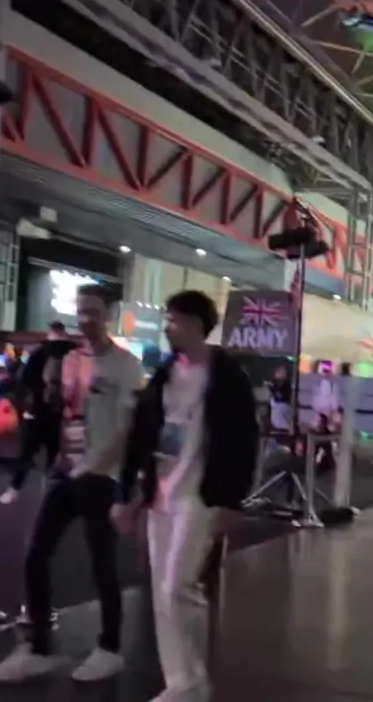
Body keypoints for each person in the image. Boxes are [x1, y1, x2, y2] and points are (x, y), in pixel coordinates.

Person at [0, 286, 143, 683]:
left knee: (102, 561)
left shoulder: (126, 365)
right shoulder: (70, 360)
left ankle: (110, 648)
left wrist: (106, 468)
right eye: (81, 311)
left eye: (93, 312)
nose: (85, 319)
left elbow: (130, 427)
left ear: (109, 315)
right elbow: (62, 413)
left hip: (100, 476)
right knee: (36, 554)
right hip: (64, 470)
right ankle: (38, 647)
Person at [112, 290, 259, 702]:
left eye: (174, 320)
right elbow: (141, 435)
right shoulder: (165, 373)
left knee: (179, 586)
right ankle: (181, 680)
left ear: (196, 324)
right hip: (161, 493)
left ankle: (192, 680)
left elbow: (243, 440)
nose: (167, 327)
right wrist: (127, 492)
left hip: (199, 495)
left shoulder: (227, 376)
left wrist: (232, 499)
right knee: (162, 591)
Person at [0, 322, 79, 505]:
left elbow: (24, 382)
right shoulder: (75, 354)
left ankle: (14, 489)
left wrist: (23, 409)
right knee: (55, 456)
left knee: (26, 453)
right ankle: (50, 493)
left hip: (38, 411)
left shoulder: (40, 353)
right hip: (63, 413)